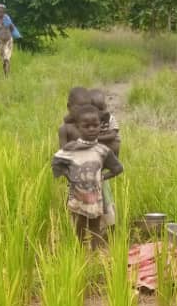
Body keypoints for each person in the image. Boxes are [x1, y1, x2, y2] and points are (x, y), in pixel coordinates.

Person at [51, 104, 124, 248]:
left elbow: (117, 168)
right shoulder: (71, 149)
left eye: (95, 125)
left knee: (95, 228)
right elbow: (56, 164)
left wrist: (103, 177)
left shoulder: (102, 150)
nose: (92, 129)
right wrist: (70, 176)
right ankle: (80, 254)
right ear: (78, 127)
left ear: (100, 126)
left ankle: (94, 255)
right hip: (77, 198)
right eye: (86, 126)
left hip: (95, 199)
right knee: (79, 228)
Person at [89, 88, 121, 229]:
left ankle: (110, 227)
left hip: (109, 151)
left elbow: (113, 136)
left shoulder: (110, 119)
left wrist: (96, 139)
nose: (102, 113)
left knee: (104, 199)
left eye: (103, 109)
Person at [0, 3, 21, 78]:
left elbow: (12, 28)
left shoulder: (7, 18)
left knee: (7, 58)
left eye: (2, 11)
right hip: (1, 42)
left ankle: (8, 75)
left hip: (8, 41)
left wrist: (8, 25)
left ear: (4, 11)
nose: (0, 12)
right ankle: (5, 74)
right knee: (3, 60)